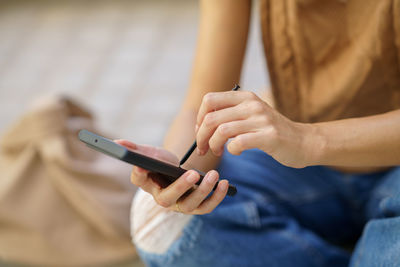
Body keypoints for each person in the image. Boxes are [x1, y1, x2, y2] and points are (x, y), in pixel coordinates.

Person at [115, 0, 400, 266]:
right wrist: (179, 172)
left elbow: (301, 141)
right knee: (158, 222)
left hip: (387, 159)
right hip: (295, 159)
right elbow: (201, 105)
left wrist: (307, 139)